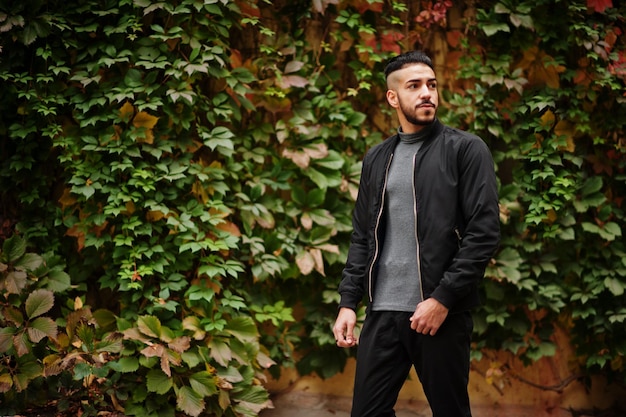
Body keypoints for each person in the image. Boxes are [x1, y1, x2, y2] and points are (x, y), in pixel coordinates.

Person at [332, 50, 501, 417]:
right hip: (383, 312)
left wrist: (443, 299)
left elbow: (483, 232)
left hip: (439, 314)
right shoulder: (377, 158)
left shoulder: (466, 150)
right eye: (415, 86)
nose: (427, 93)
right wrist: (349, 302)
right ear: (393, 97)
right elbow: (363, 236)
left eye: (432, 85)